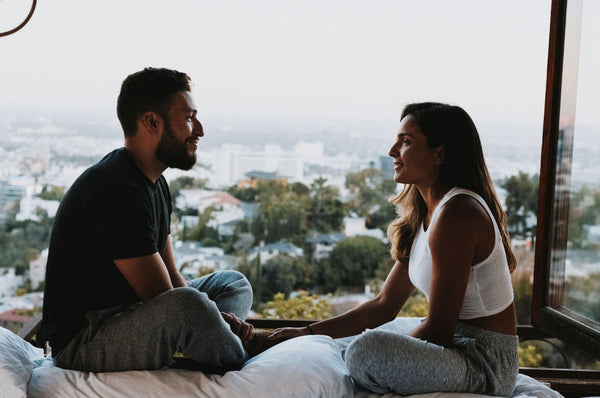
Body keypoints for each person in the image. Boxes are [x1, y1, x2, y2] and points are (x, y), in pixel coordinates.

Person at [268, 102, 519, 396]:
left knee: (364, 350)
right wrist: (305, 332)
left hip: (485, 363)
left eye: (405, 142)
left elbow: (439, 329)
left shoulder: (458, 214)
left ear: (439, 154)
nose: (392, 151)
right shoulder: (426, 211)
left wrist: (389, 353)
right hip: (457, 344)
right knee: (348, 341)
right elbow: (384, 305)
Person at [40, 67, 263, 373]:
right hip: (86, 339)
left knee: (233, 285)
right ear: (152, 122)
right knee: (189, 307)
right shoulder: (114, 188)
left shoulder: (154, 182)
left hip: (133, 313)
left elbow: (170, 274)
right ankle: (243, 352)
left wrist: (213, 318)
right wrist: (218, 321)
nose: (199, 129)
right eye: (188, 118)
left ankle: (214, 343)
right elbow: (164, 297)